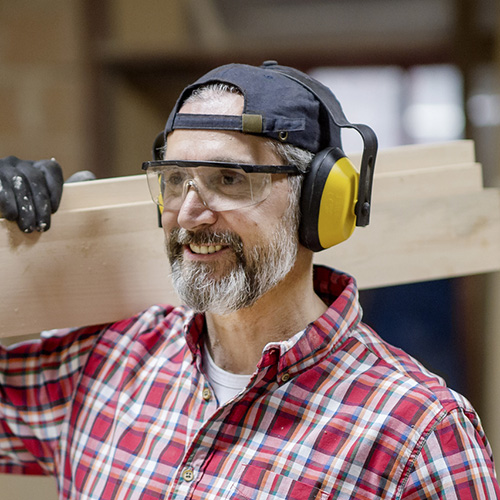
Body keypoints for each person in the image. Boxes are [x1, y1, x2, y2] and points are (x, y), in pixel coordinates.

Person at [0, 61, 498, 499]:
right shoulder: (105, 364)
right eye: (175, 180)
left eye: (230, 180)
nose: (190, 214)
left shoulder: (417, 433)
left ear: (318, 203)